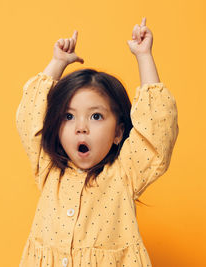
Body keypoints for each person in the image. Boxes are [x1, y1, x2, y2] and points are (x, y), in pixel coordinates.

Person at [16, 17, 179, 267]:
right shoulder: (49, 168)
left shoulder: (125, 174)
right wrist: (57, 63)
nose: (81, 127)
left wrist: (144, 57)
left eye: (96, 116)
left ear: (118, 132)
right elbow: (30, 115)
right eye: (69, 116)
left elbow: (157, 129)